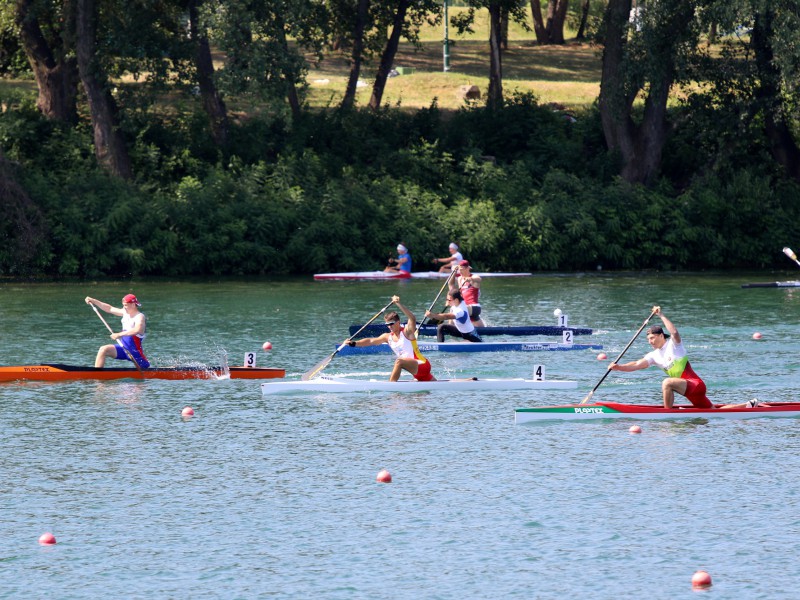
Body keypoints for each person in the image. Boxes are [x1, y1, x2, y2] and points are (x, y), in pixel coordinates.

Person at [608, 306, 758, 409]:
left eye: (653, 338)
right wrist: (618, 368)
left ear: (661, 335)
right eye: (648, 339)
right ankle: (749, 405)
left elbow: (674, 332)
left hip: (695, 385)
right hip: (687, 388)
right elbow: (636, 364)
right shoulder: (653, 355)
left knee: (667, 382)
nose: (650, 341)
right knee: (712, 410)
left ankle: (667, 414)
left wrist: (661, 315)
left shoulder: (674, 345)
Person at [344, 295, 435, 382]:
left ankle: (391, 385)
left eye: (391, 324)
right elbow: (371, 341)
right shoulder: (387, 337)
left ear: (398, 322)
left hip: (422, 364)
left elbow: (412, 318)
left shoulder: (407, 332)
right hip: (415, 372)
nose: (389, 326)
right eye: (387, 324)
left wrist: (398, 303)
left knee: (399, 361)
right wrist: (354, 343)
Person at [85, 293, 150, 369]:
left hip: (135, 352)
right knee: (103, 349)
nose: (124, 307)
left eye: (125, 305)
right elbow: (109, 308)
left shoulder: (139, 316)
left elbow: (137, 330)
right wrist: (94, 301)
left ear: (133, 305)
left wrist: (119, 334)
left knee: (145, 367)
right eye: (123, 305)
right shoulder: (125, 313)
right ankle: (96, 374)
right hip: (123, 349)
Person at [450, 260, 485, 326]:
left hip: (474, 307)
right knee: (481, 328)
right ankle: (487, 330)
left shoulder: (473, 276)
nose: (460, 271)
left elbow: (479, 279)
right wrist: (454, 271)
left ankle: (450, 329)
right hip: (466, 307)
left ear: (467, 268)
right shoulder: (460, 278)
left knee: (453, 309)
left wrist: (470, 279)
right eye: (459, 270)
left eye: (461, 269)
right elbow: (451, 284)